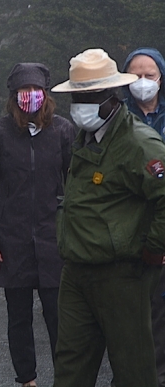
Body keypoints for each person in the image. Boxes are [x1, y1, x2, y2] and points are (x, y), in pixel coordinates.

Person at [51, 48, 165, 387]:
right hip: (76, 270)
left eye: (89, 97)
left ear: (111, 96)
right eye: (77, 97)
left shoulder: (138, 142)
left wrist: (154, 248)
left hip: (122, 275)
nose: (80, 106)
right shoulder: (84, 136)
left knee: (133, 371)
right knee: (70, 368)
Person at [0, 63, 76, 387]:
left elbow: (76, 186)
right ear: (13, 97)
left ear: (46, 95)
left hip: (52, 239)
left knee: (58, 316)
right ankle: (26, 379)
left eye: (35, 91)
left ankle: (67, 377)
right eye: (23, 91)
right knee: (18, 317)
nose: (30, 97)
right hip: (11, 239)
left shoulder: (63, 131)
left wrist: (75, 235)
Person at [123, 47, 165, 387]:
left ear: (160, 77)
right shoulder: (119, 118)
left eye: (149, 75)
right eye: (135, 75)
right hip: (135, 222)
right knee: (142, 306)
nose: (142, 82)